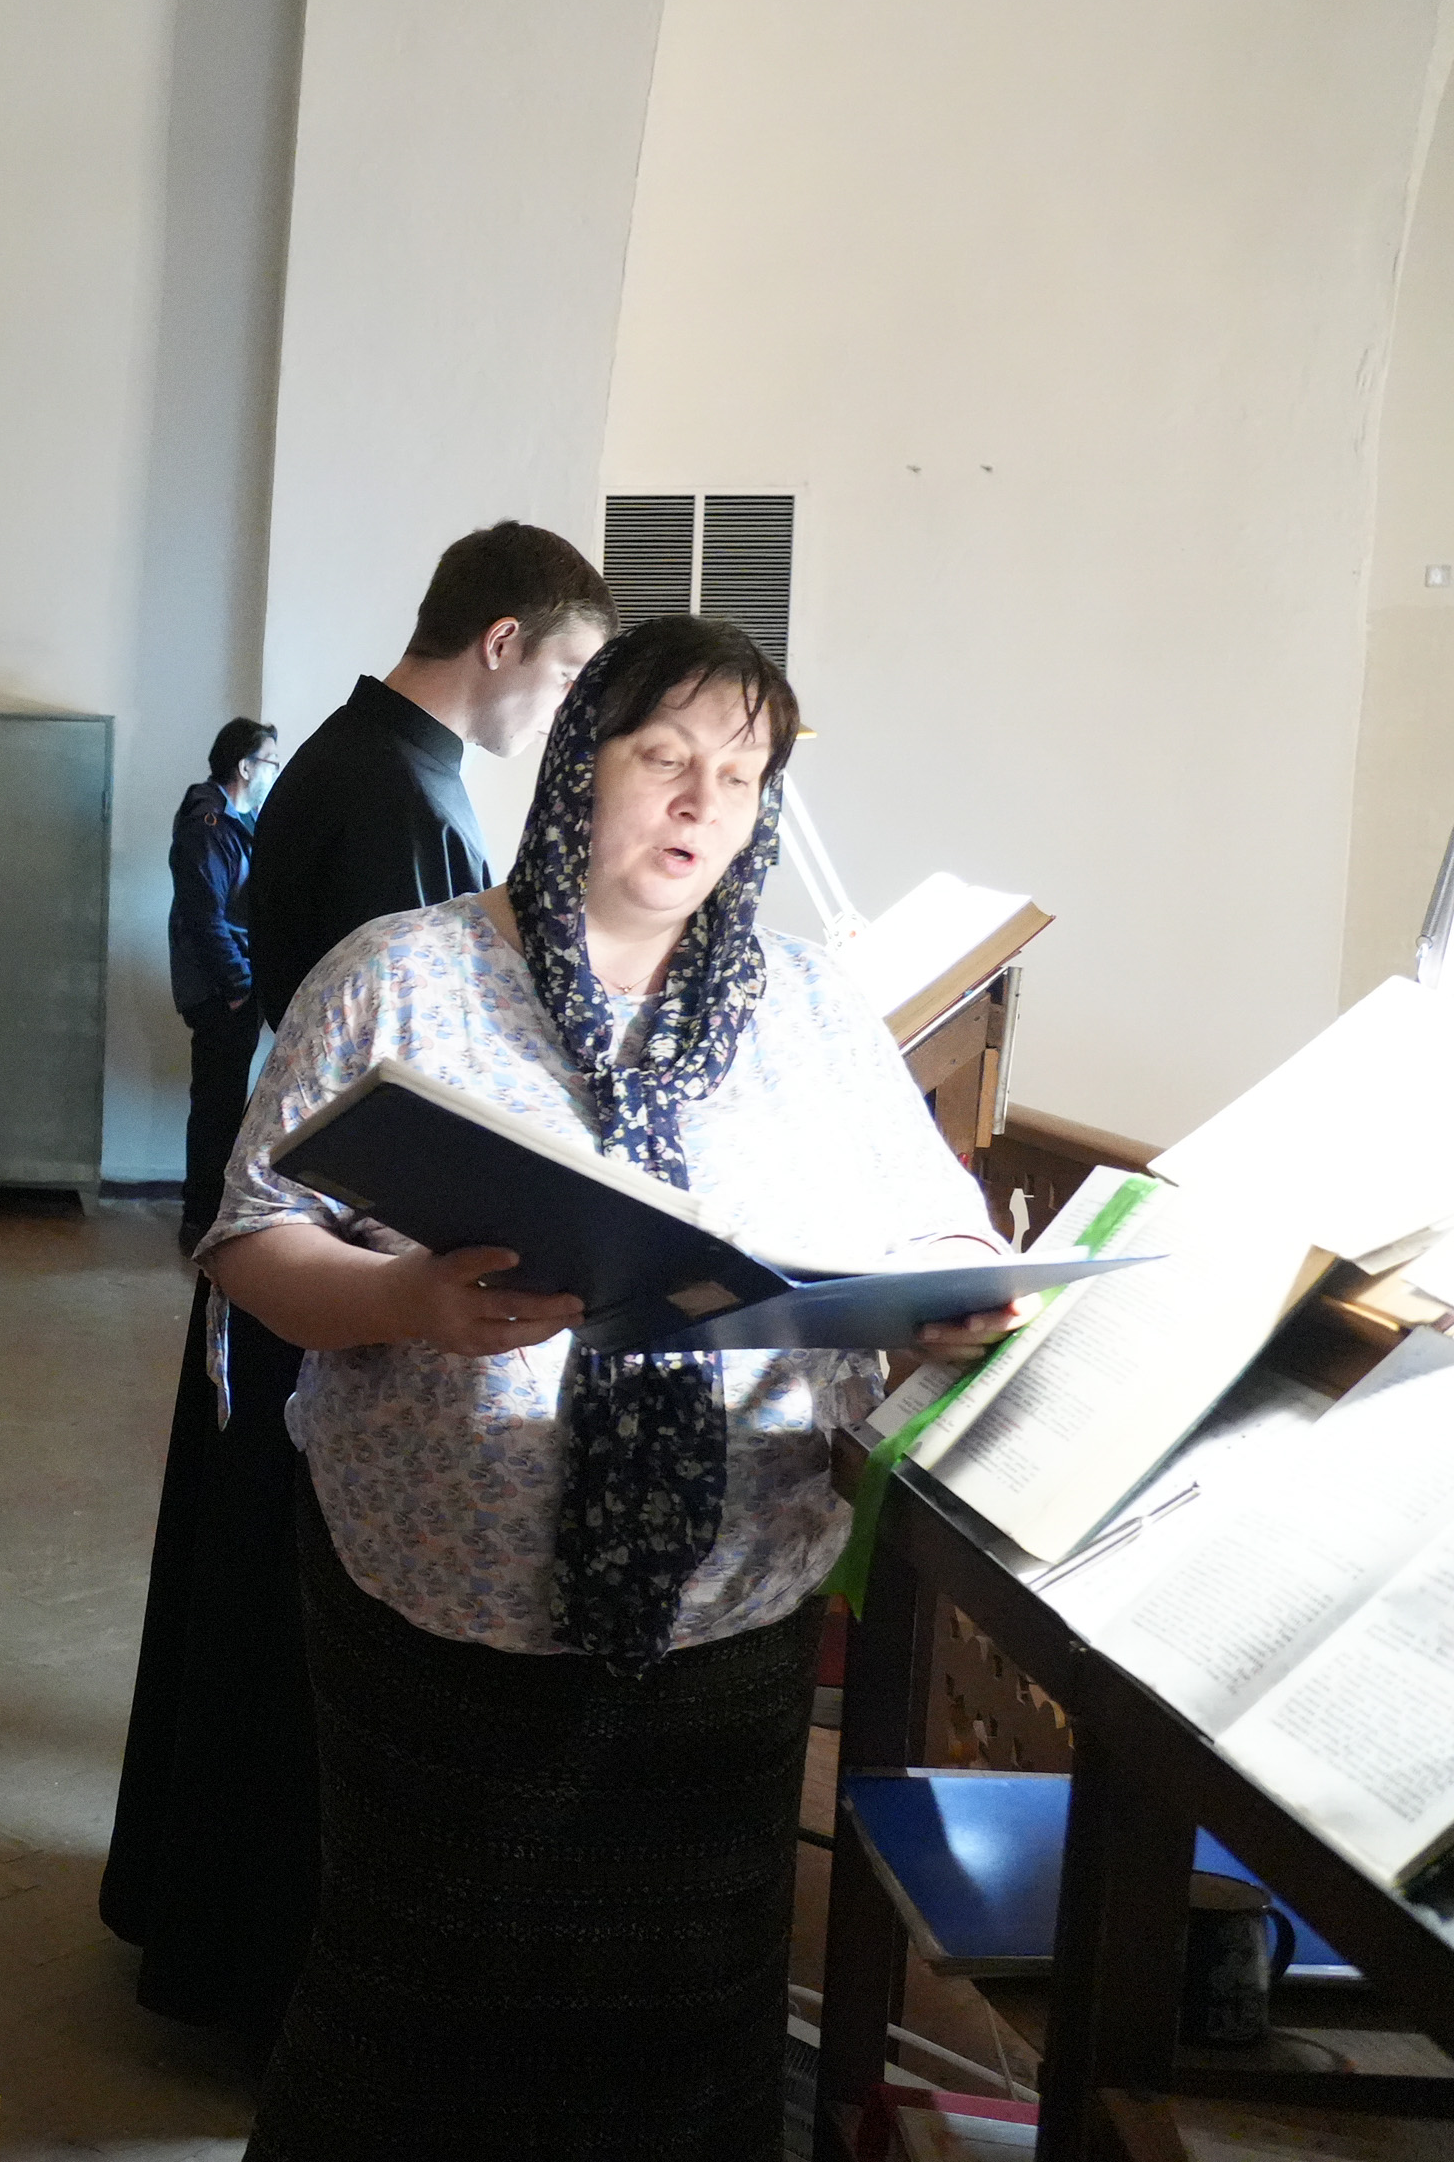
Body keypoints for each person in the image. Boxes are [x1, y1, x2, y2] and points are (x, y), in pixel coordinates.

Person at [205, 614, 1022, 2158]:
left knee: (686, 2012)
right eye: (667, 756)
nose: (703, 801)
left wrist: (948, 1293)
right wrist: (404, 1299)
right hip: (441, 1607)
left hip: (724, 1614)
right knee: (416, 2000)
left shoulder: (808, 1006)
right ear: (586, 762)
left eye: (742, 773)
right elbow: (251, 1240)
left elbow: (932, 1218)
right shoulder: (406, 976)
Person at [104, 520, 615, 2039]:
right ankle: (255, 1969)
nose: (564, 713)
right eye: (569, 672)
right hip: (335, 1258)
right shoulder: (406, 798)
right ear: (504, 640)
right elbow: (419, 1091)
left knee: (247, 1594)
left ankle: (201, 1928)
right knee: (285, 1621)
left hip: (306, 1236)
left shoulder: (360, 757)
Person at [171, 715, 280, 1253]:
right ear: (245, 766)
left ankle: (209, 1215)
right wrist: (238, 984)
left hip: (233, 984)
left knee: (224, 1103)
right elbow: (204, 915)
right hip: (220, 990)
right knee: (216, 1108)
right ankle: (200, 1221)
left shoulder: (239, 821)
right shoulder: (208, 824)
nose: (275, 772)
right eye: (270, 762)